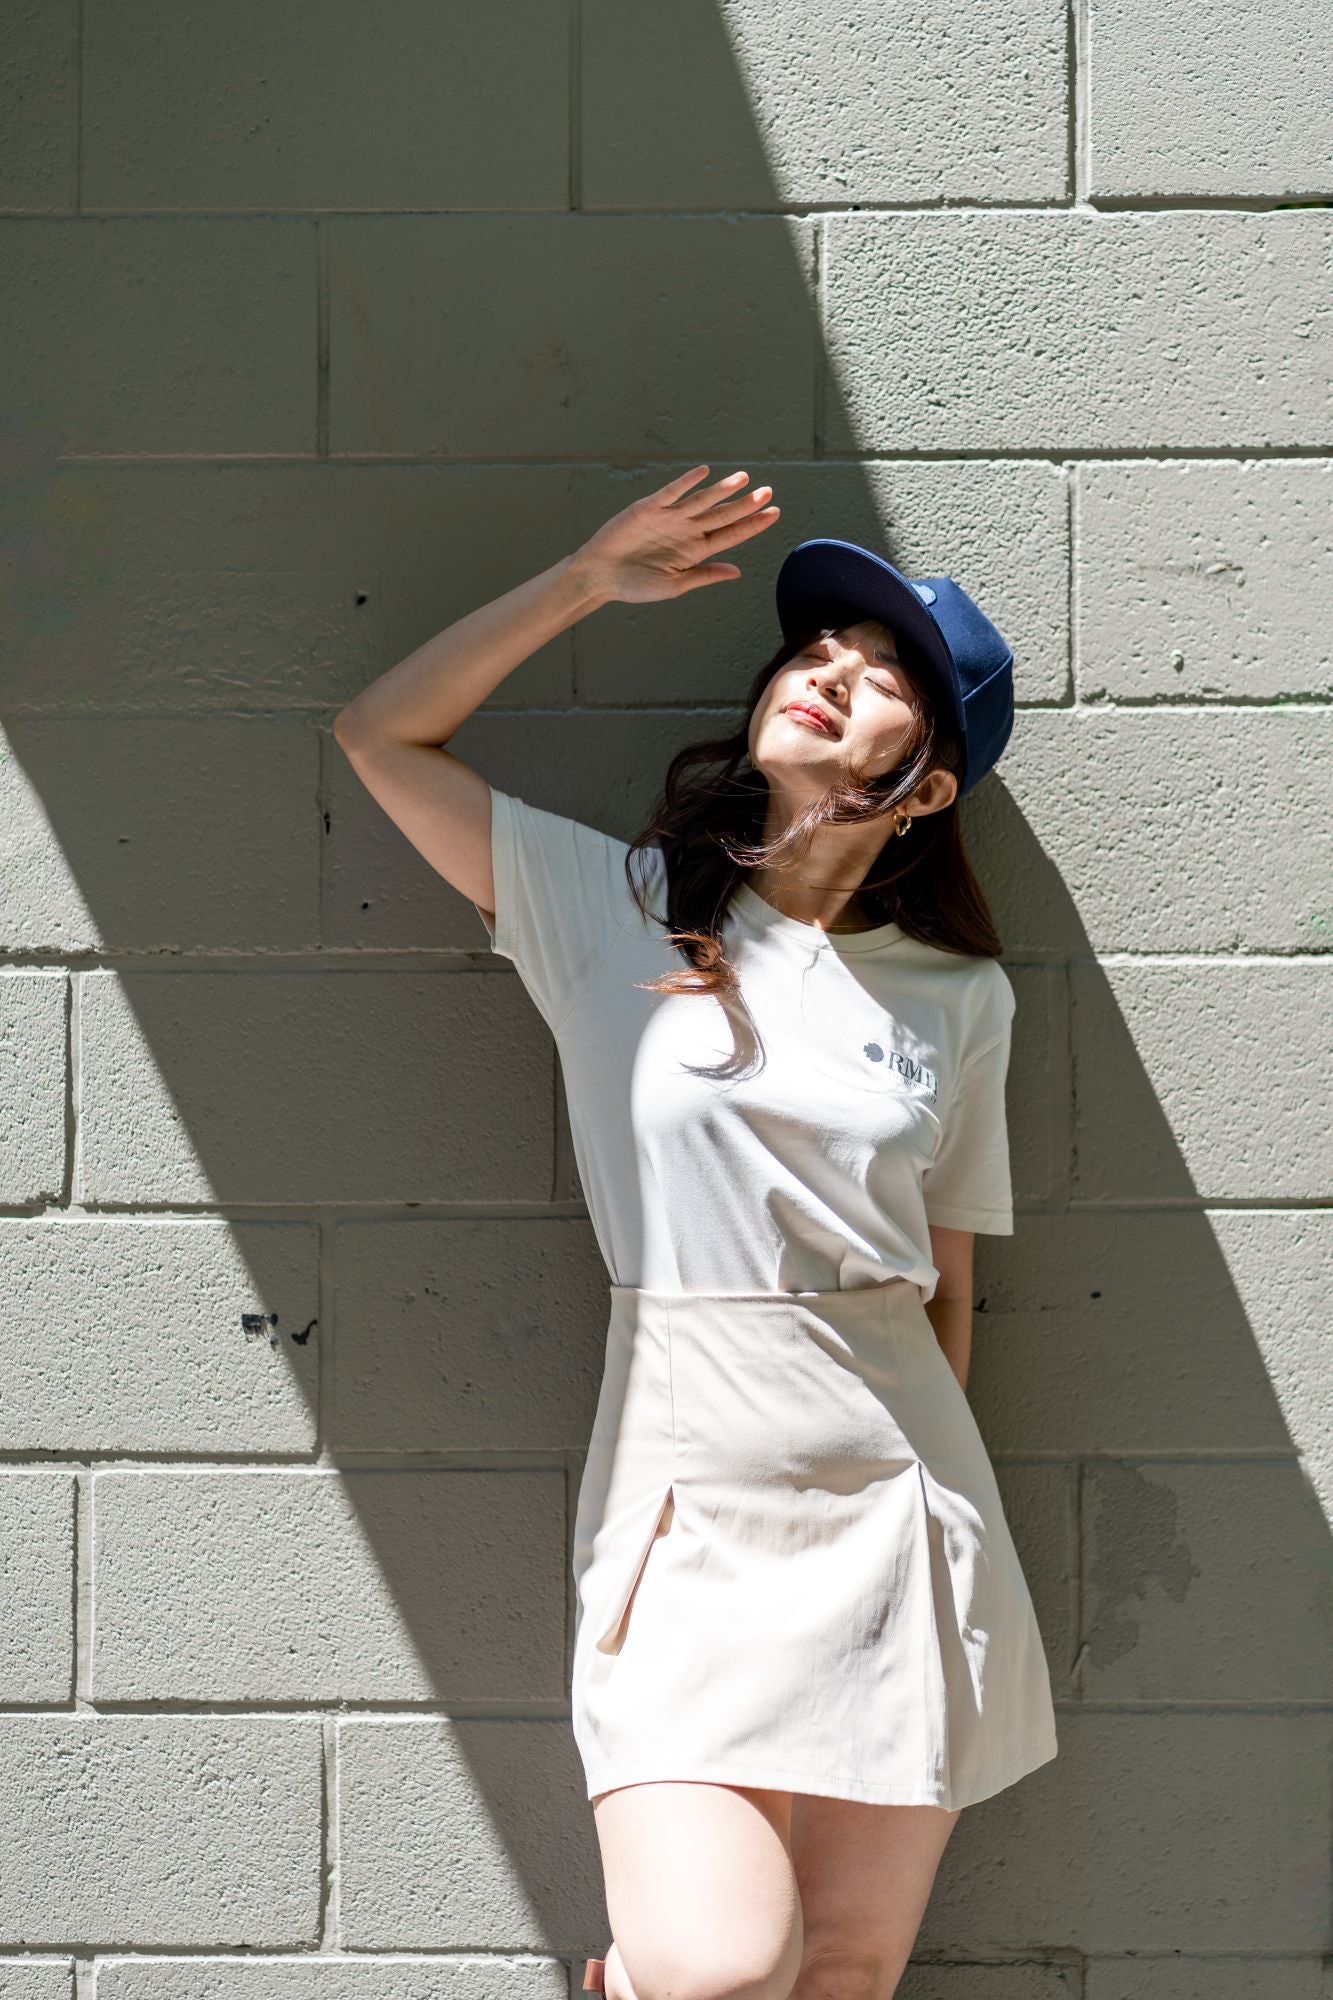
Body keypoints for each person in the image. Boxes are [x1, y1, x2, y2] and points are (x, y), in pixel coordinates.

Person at [333, 465, 1058, 2000]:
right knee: (718, 1967)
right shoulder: (617, 905)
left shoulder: (958, 999)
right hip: (686, 1485)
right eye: (816, 655)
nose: (825, 677)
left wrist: (935, 1525)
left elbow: (948, 1287)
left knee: (848, 1970)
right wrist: (586, 581)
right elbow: (378, 735)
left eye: (876, 686)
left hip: (894, 1500)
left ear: (922, 782)